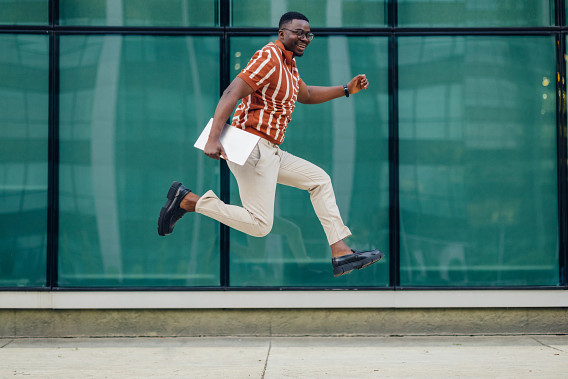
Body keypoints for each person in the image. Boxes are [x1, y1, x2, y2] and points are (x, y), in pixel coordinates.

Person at [158, 11, 384, 277]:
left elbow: (307, 93)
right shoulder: (269, 57)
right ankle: (189, 201)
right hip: (250, 146)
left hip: (270, 150)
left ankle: (340, 251)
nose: (305, 38)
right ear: (282, 34)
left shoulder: (288, 65)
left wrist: (346, 89)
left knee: (319, 180)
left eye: (308, 34)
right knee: (260, 225)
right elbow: (232, 91)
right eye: (299, 33)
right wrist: (213, 136)